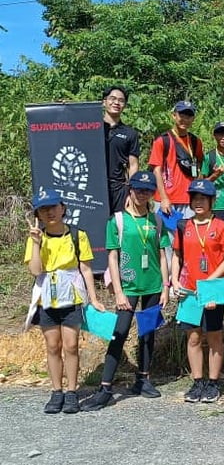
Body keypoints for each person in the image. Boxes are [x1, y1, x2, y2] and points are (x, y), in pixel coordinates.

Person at [82, 172, 170, 411]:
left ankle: (143, 378)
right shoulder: (117, 220)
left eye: (148, 190)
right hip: (128, 286)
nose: (143, 194)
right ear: (130, 190)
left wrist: (166, 286)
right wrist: (118, 292)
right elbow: (112, 256)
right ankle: (105, 388)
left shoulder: (157, 220)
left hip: (152, 285)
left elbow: (162, 255)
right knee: (118, 333)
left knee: (147, 333)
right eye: (139, 189)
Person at [24, 188, 105, 414]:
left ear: (63, 208)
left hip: (71, 295)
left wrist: (94, 299)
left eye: (53, 207)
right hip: (47, 298)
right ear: (38, 214)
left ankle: (71, 391)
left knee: (70, 345)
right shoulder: (35, 238)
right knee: (52, 345)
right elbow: (35, 270)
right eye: (43, 209)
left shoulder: (78, 235)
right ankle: (56, 391)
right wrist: (37, 244)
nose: (49, 212)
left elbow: (86, 269)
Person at [171, 180, 224, 404]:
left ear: (212, 201)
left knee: (214, 336)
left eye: (203, 198)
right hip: (189, 289)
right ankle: (197, 381)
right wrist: (173, 280)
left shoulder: (221, 227)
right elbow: (176, 256)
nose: (198, 202)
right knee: (193, 337)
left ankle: (213, 383)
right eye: (195, 198)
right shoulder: (183, 225)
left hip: (212, 289)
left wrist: (209, 281)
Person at [149, 101, 205, 218]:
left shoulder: (196, 141)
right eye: (182, 115)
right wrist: (164, 198)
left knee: (187, 235)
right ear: (174, 115)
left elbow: (200, 161)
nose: (185, 119)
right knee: (166, 236)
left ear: (193, 119)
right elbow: (156, 171)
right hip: (166, 199)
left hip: (189, 199)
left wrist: (198, 175)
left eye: (189, 116)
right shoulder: (162, 141)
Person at [103, 86, 139, 214]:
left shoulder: (130, 133)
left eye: (121, 100)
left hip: (119, 188)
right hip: (94, 186)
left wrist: (132, 192)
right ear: (104, 101)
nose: (116, 103)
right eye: (112, 99)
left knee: (118, 226)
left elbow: (133, 165)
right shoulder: (90, 128)